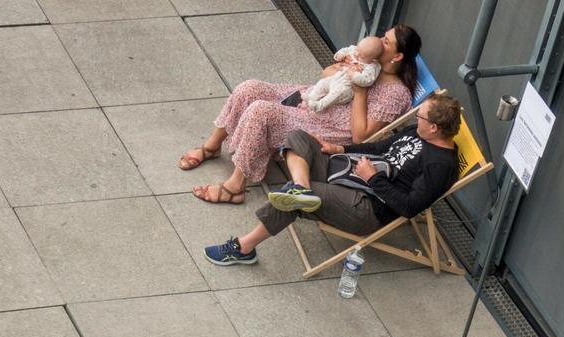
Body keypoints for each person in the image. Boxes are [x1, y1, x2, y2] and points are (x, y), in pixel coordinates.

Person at [203, 91, 461, 266]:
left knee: (294, 200)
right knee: (298, 137)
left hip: (367, 207)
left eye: (421, 116)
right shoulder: (418, 132)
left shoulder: (440, 165)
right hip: (349, 175)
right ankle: (300, 187)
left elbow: (409, 208)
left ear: (435, 127)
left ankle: (243, 248)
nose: (416, 117)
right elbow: (379, 148)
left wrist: (373, 179)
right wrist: (342, 149)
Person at [178, 24, 419, 205]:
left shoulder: (395, 94)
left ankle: (235, 186)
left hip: (331, 128)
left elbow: (360, 136)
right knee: (249, 88)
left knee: (262, 111)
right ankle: (212, 146)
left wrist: (360, 90)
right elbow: (325, 74)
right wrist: (342, 68)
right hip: (315, 100)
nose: (378, 40)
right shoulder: (368, 61)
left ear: (397, 56)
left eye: (386, 41)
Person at [305, 36, 383, 112]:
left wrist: (353, 75)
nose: (357, 54)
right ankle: (311, 97)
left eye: (362, 57)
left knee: (335, 93)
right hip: (336, 78)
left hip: (347, 87)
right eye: (358, 50)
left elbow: (367, 80)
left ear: (373, 59)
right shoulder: (355, 49)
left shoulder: (371, 67)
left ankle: (319, 106)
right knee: (322, 83)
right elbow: (345, 50)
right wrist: (339, 55)